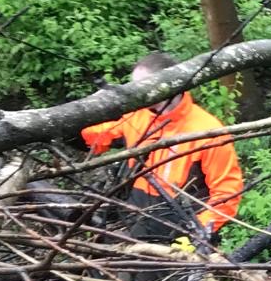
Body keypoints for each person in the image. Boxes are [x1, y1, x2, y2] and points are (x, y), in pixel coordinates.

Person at [80, 52, 244, 244]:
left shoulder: (208, 131)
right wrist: (76, 116)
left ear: (169, 84)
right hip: (136, 216)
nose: (136, 93)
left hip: (182, 228)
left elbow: (227, 193)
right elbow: (95, 138)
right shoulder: (136, 115)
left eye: (143, 86)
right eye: (133, 86)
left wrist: (196, 234)